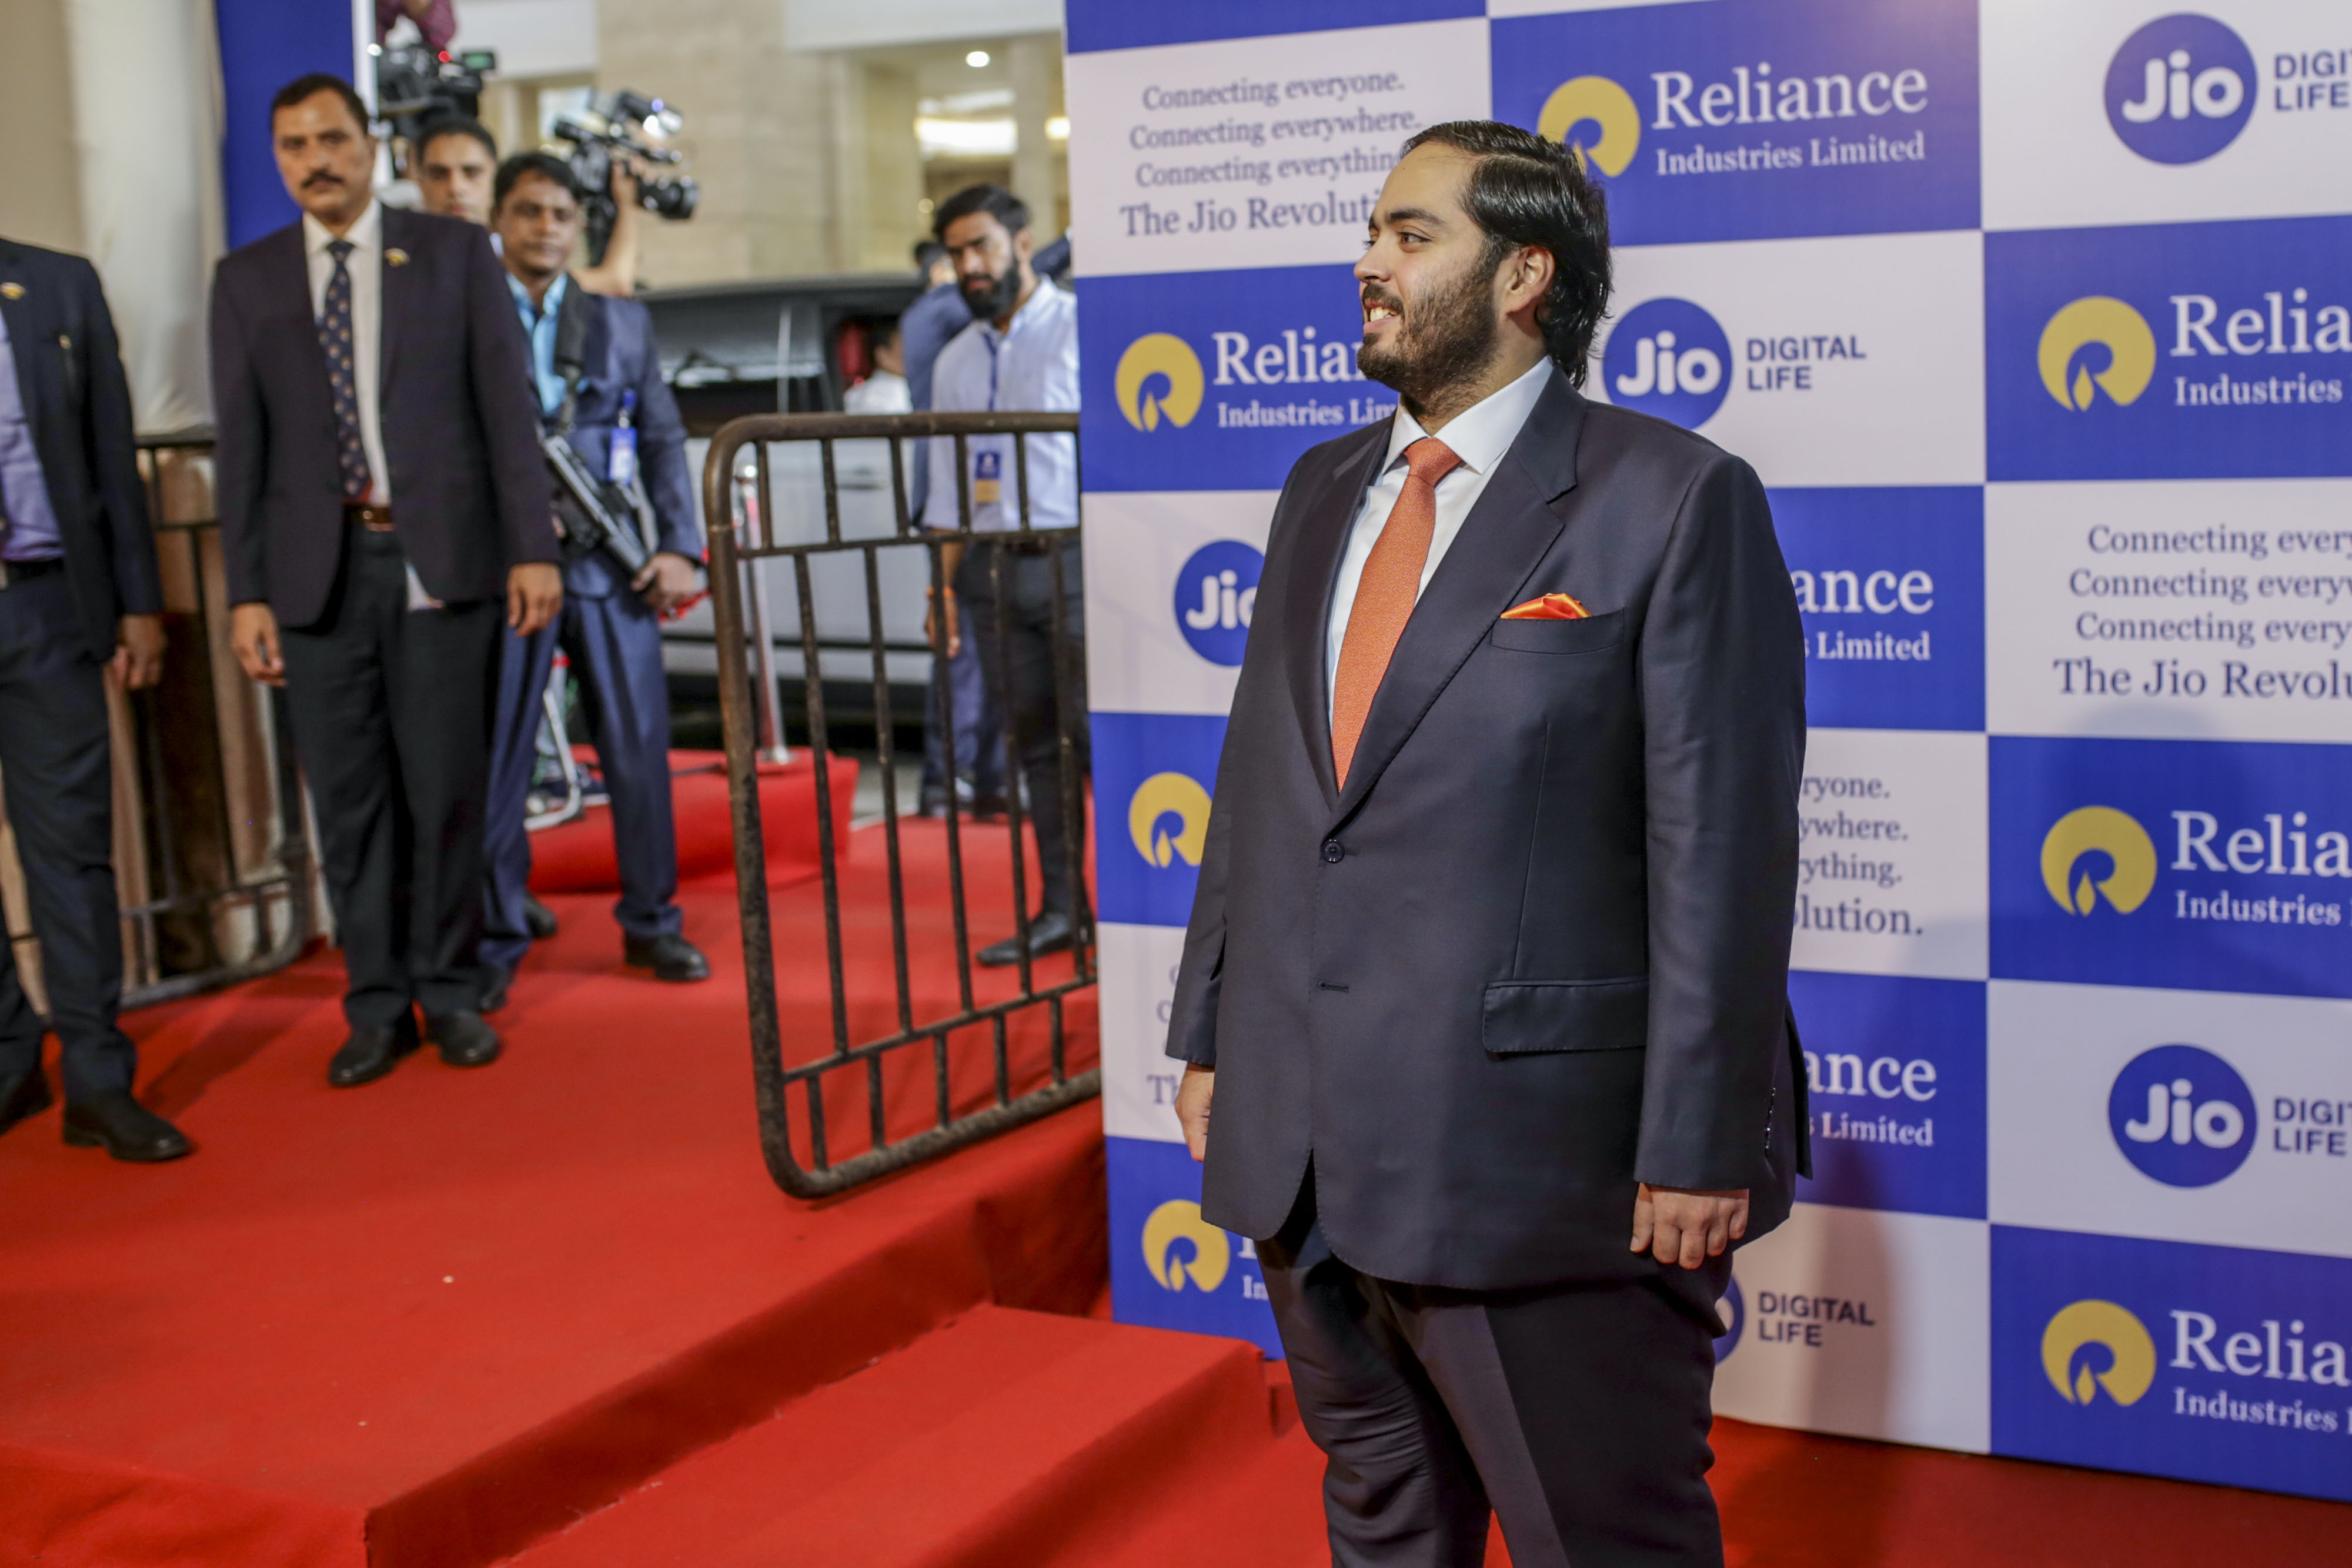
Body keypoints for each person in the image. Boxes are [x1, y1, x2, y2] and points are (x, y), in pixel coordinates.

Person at [1165, 122, 1808, 1566]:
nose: (1366, 263)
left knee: (1601, 1539)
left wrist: (1698, 1137)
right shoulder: (1319, 485)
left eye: (1409, 236)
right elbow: (1262, 783)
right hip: (1301, 1143)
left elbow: (1721, 847)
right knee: (1382, 1520)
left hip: (1539, 1167)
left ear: (1523, 275)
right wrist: (1210, 1031)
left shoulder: (1673, 496)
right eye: (1370, 232)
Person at [212, 73, 560, 1087]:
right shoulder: (247, 279)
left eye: (330, 139)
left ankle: (449, 990)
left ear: (370, 147)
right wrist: (247, 591)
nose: (313, 161)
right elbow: (243, 451)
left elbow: (507, 410)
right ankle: (374, 1003)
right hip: (316, 577)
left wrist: (532, 546)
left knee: (445, 789)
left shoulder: (451, 253)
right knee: (351, 803)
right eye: (293, 145)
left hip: (439, 559)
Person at [477, 151, 707, 1009]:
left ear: (579, 226)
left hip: (611, 567)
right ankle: (498, 932)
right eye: (529, 211)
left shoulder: (619, 322)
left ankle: (653, 922)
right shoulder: (465, 314)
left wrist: (680, 545)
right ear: (499, 219)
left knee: (638, 750)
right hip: (506, 566)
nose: (546, 228)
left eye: (562, 214)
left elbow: (662, 439)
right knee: (499, 755)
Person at [0, 238, 186, 1162]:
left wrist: (139, 601)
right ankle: (10, 1058)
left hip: (46, 606)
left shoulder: (58, 283)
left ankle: (97, 1081)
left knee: (70, 854)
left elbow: (112, 452)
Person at [921, 185, 1081, 967]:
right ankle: (1063, 911)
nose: (969, 266)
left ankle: (1145, 923)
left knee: (1103, 740)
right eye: (957, 254)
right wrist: (942, 588)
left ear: (1022, 244)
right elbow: (948, 490)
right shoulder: (954, 358)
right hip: (991, 571)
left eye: (981, 246)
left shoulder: (1082, 330)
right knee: (1037, 748)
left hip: (1077, 561)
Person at [901, 238, 1001, 822]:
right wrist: (1068, 245)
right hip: (954, 500)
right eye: (962, 256)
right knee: (958, 646)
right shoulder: (935, 312)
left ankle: (988, 775)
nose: (975, 270)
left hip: (989, 502)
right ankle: (944, 777)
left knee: (995, 649)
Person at [414, 116, 644, 299]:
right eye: (438, 174)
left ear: (494, 174)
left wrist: (626, 204)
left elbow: (615, 282)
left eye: (471, 173)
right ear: (418, 179)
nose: (456, 188)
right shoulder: (404, 258)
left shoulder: (515, 254)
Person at [841, 323, 910, 414]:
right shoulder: (882, 397)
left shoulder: (855, 394)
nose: (913, 356)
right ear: (882, 355)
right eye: (904, 350)